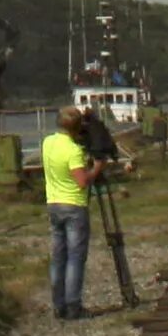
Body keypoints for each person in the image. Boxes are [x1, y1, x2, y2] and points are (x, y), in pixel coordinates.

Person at [40, 106, 102, 320]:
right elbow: (82, 181)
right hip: (73, 206)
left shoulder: (47, 142)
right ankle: (73, 305)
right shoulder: (73, 151)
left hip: (53, 203)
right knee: (75, 258)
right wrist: (97, 168)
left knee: (58, 257)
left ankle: (58, 305)